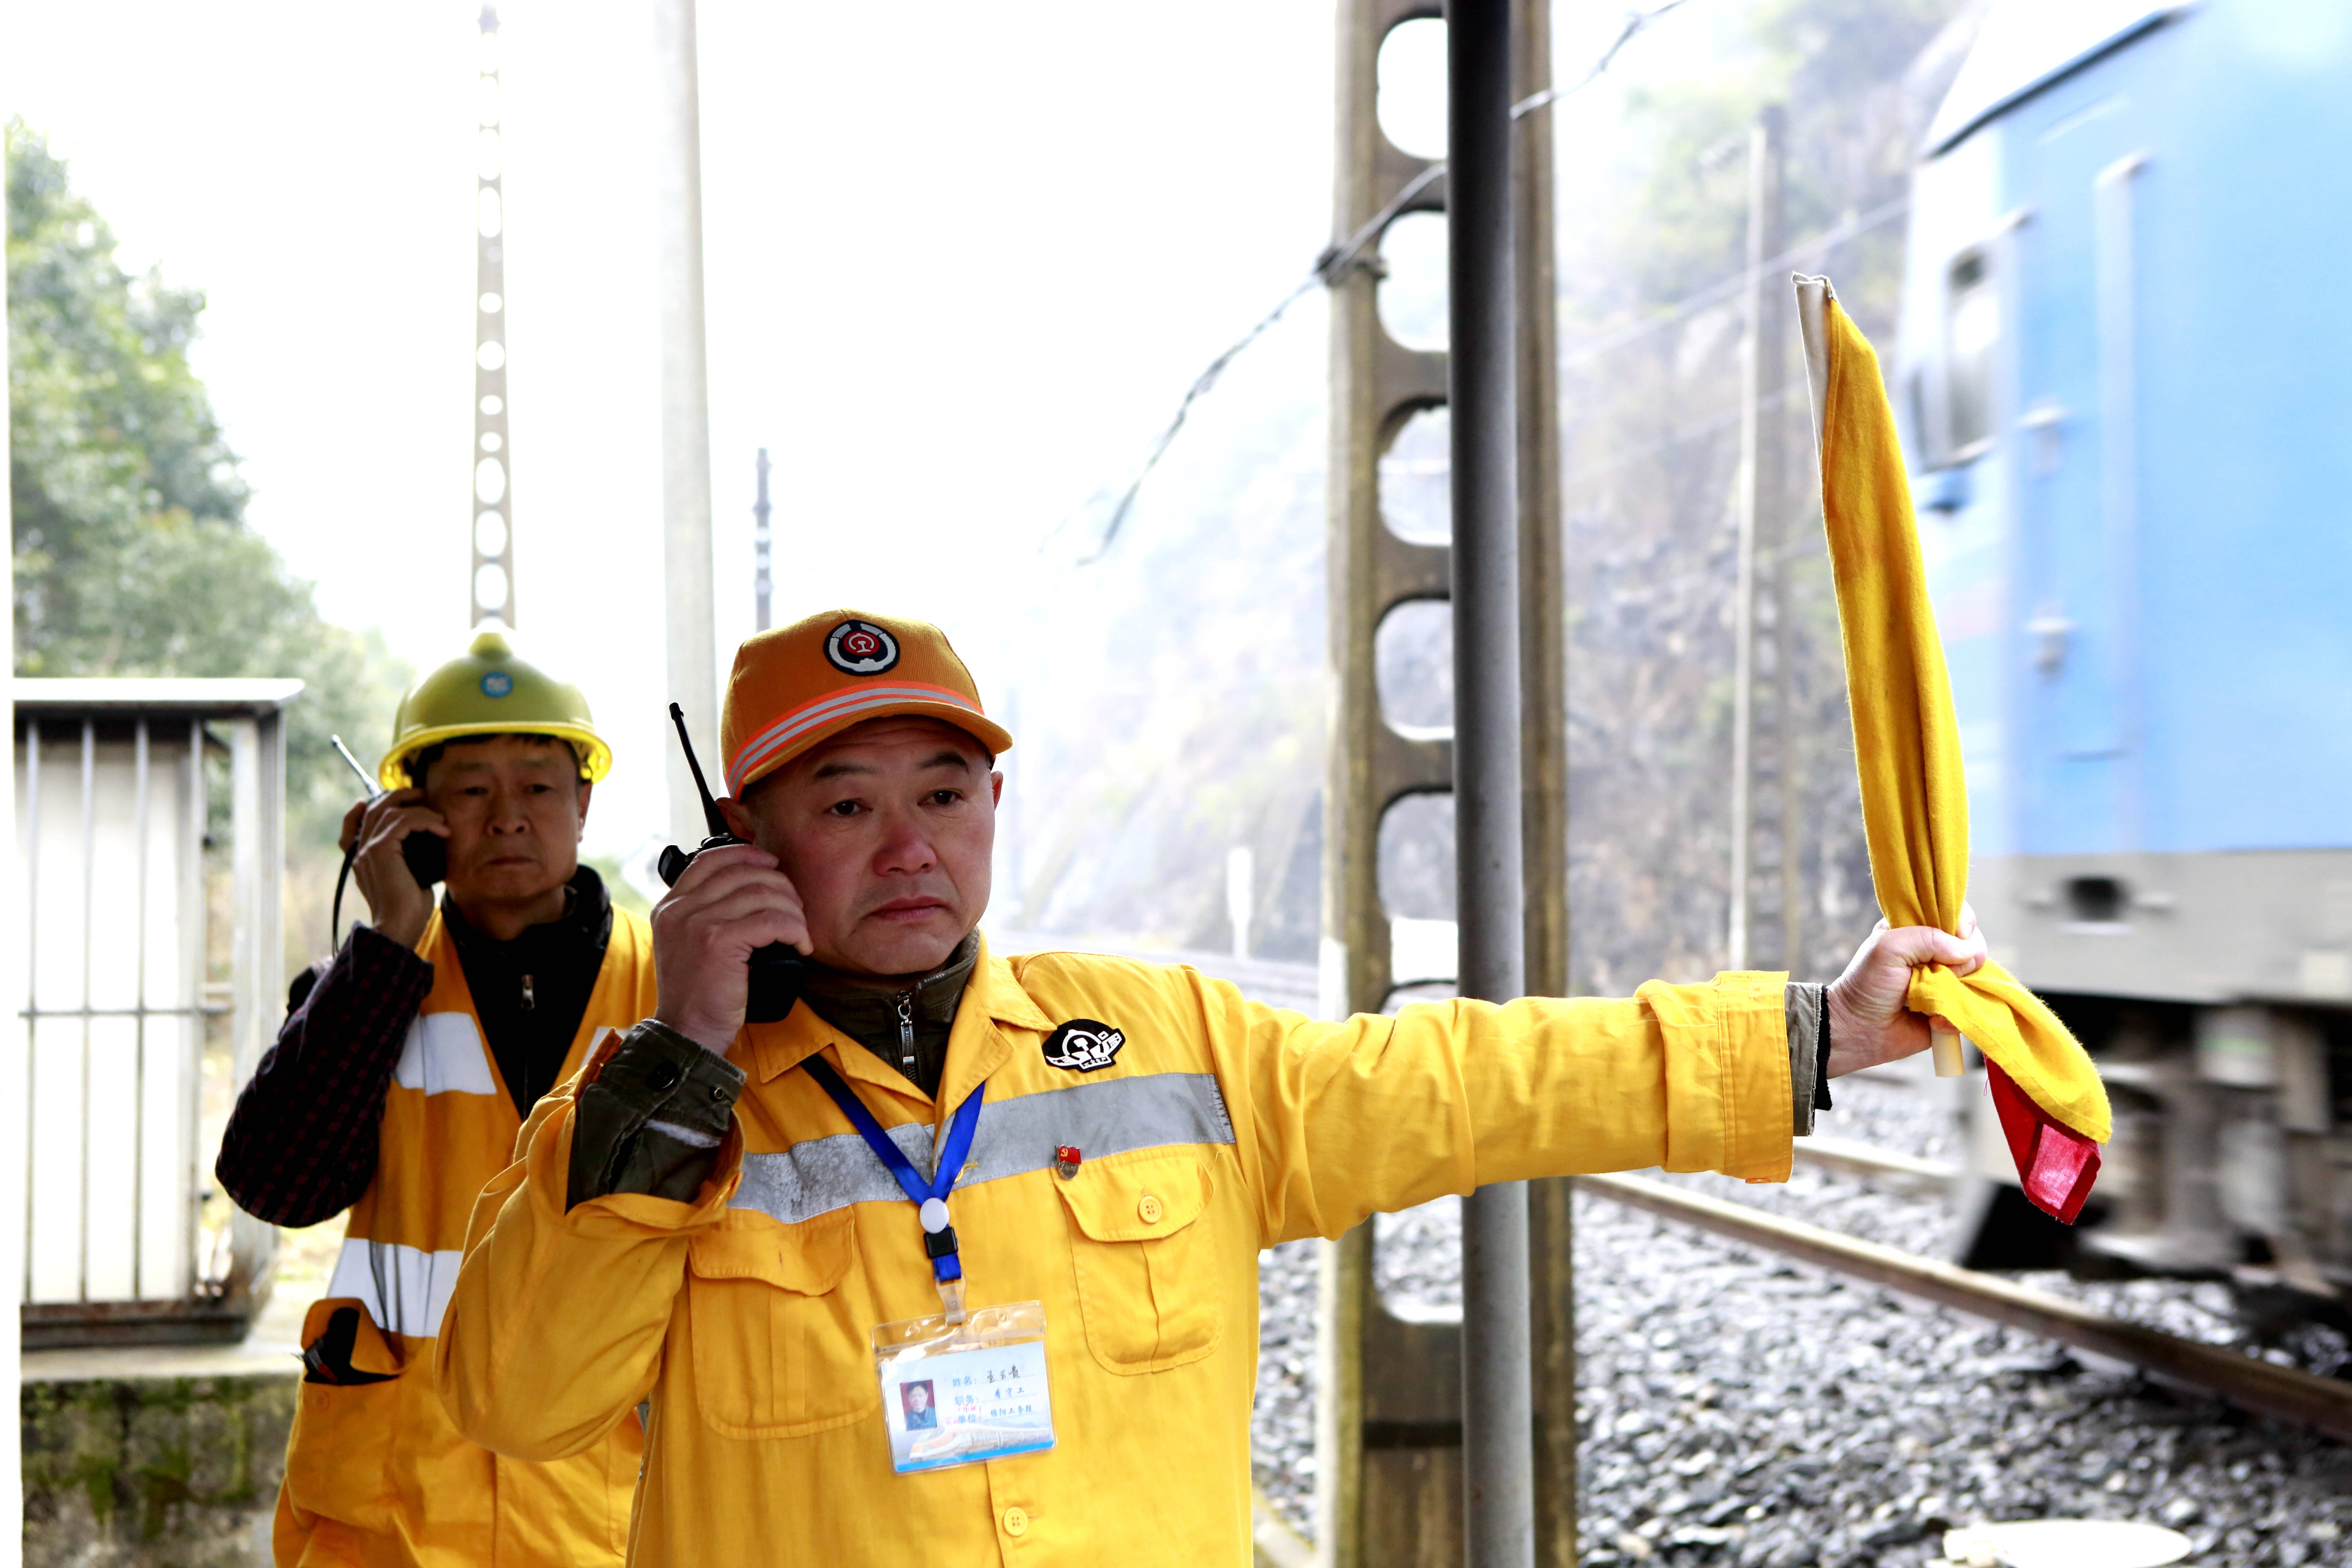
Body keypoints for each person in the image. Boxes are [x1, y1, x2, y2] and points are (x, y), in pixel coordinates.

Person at [436, 609, 1986, 1566]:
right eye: (845, 802)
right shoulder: (646, 1112)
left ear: (994, 805)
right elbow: (517, 1403)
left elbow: (1469, 1078)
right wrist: (687, 1050)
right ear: (742, 841)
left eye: (946, 792)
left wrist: (1806, 1037)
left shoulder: (1162, 1036)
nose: (910, 845)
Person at [217, 630, 656, 1568]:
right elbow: (276, 1188)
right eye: (471, 789)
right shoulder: (365, 987)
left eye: (538, 785)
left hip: (616, 1508)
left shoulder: (679, 989)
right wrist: (389, 936)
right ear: (407, 816)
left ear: (583, 803)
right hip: (397, 1514)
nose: (507, 818)